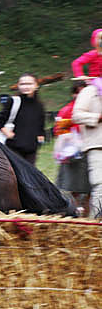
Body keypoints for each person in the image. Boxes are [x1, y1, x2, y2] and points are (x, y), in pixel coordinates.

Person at [54, 81, 89, 216]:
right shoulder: (67, 110)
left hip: (91, 151)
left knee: (91, 189)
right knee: (73, 188)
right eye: (78, 93)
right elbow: (59, 130)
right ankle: (74, 214)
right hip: (74, 155)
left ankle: (87, 216)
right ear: (73, 94)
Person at [0, 73, 45, 165]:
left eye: (29, 84)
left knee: (29, 176)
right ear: (18, 86)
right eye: (22, 84)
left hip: (31, 150)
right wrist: (11, 136)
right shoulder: (13, 101)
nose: (26, 87)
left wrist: (39, 142)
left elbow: (41, 127)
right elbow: (0, 123)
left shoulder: (39, 105)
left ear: (36, 85)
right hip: (14, 148)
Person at [72, 78, 102, 218]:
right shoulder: (90, 91)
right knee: (100, 186)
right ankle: (97, 226)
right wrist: (98, 117)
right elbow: (77, 116)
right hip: (98, 146)